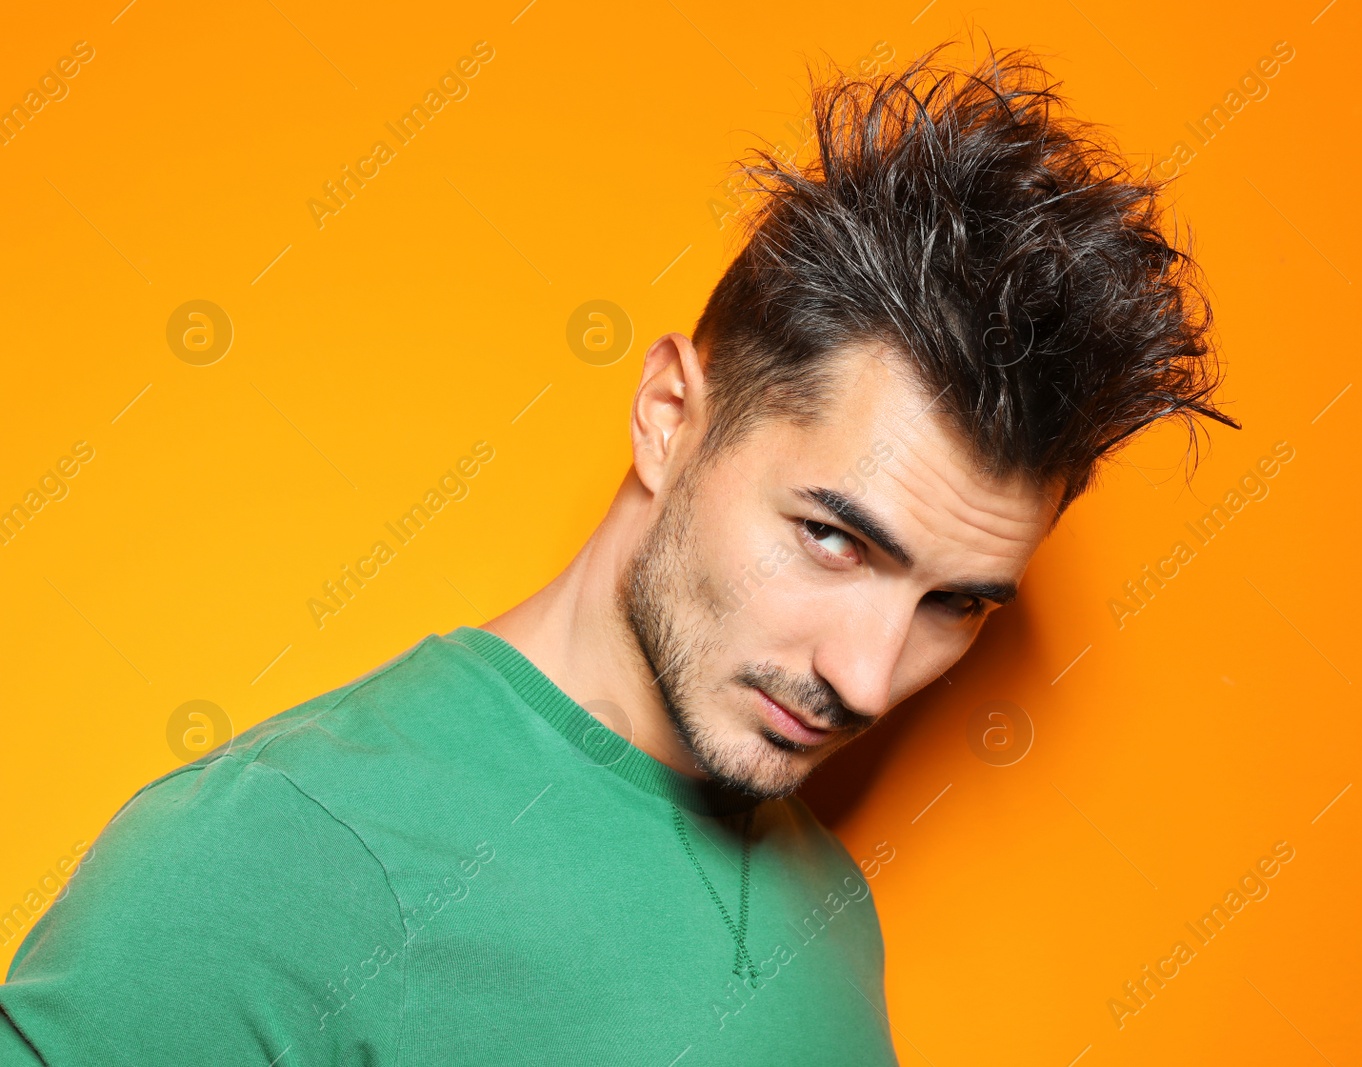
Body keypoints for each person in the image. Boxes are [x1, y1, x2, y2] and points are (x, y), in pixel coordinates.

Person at [0, 43, 1233, 1066]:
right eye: (831, 538)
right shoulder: (277, 859)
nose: (863, 675)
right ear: (667, 418)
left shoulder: (829, 901)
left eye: (953, 604)